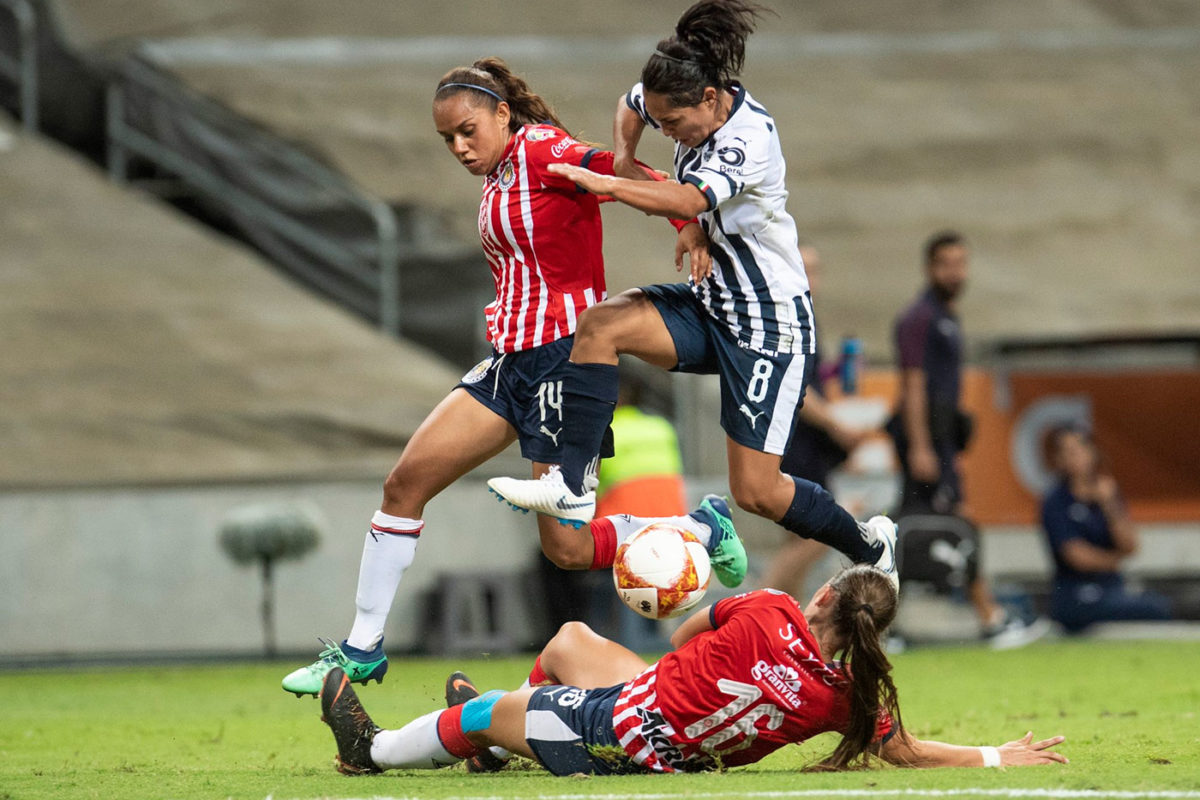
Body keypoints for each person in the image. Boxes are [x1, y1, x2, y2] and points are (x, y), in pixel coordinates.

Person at [279, 57, 748, 696]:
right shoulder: (499, 175)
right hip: (508, 364)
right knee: (404, 483)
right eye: (447, 140)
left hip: (564, 359)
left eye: (468, 130)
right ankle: (362, 647)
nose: (459, 147)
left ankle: (700, 526)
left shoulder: (542, 150)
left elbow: (624, 172)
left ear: (503, 112)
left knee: (567, 549)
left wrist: (688, 222)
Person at [487, 0, 898, 585]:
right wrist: (627, 155)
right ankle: (574, 487)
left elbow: (685, 199)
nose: (668, 131)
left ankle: (869, 546)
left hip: (768, 325)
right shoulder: (670, 97)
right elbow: (630, 105)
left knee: (757, 491)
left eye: (674, 125)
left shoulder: (749, 137)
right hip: (712, 304)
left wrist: (606, 181)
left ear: (710, 99)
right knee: (601, 325)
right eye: (662, 123)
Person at [316, 564, 1068, 777]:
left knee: (480, 712)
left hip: (618, 731)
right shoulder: (845, 696)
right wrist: (998, 753)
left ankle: (373, 750)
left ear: (824, 595)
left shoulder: (769, 605)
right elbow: (903, 749)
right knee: (571, 637)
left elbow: (679, 638)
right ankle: (503, 739)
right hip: (660, 719)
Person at [887, 231, 1048, 648]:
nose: (955, 272)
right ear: (930, 267)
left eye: (961, 263)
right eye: (946, 263)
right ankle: (991, 619)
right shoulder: (919, 319)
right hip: (926, 442)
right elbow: (913, 386)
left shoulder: (945, 317)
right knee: (955, 523)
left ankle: (886, 628)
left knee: (909, 532)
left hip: (941, 442)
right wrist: (922, 445)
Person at [762, 244, 874, 597]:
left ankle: (783, 620)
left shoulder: (805, 317)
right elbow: (795, 389)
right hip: (794, 441)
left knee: (803, 536)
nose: (811, 278)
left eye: (815, 270)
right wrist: (837, 428)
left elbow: (808, 378)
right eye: (803, 269)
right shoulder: (787, 317)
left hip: (802, 442)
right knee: (815, 534)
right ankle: (753, 612)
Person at [1041, 424, 1172, 633]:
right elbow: (1077, 556)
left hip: (1112, 587)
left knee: (1158, 606)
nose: (1077, 457)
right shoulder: (1056, 501)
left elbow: (1130, 546)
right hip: (1075, 592)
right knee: (1148, 608)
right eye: (1069, 452)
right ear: (1058, 459)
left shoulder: (1108, 493)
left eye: (1081, 449)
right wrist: (1114, 560)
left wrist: (1110, 505)